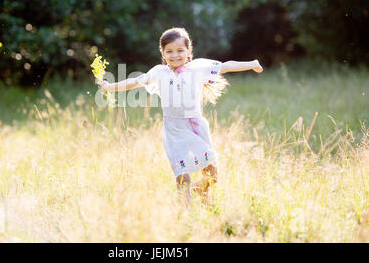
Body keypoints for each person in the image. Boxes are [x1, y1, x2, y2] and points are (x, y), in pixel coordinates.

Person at [96, 27, 263, 206]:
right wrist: (110, 86)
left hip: (196, 126)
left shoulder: (198, 68)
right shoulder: (159, 73)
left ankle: (202, 190)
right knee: (182, 176)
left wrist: (252, 63)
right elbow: (134, 82)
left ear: (188, 51)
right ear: (162, 53)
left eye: (180, 50)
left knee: (212, 174)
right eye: (169, 51)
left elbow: (226, 66)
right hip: (174, 130)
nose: (175, 55)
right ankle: (185, 214)